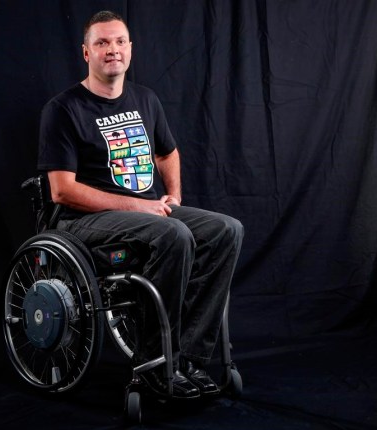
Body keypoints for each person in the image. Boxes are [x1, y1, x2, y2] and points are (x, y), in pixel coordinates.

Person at [38, 10, 244, 399]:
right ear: (86, 53)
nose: (112, 49)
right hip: (81, 223)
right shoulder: (63, 109)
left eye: (119, 41)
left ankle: (190, 360)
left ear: (130, 49)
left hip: (148, 215)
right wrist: (139, 208)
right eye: (101, 43)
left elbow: (168, 152)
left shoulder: (145, 99)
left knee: (227, 229)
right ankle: (155, 364)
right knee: (174, 234)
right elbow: (61, 191)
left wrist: (174, 196)